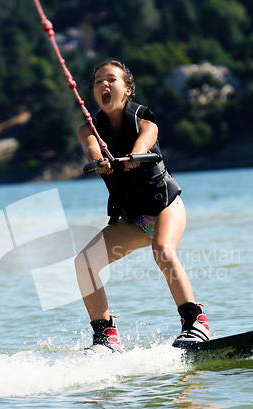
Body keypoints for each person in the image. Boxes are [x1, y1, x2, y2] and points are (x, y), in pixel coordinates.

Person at [75, 59, 211, 353]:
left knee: (161, 250)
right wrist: (99, 160)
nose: (104, 85)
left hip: (165, 205)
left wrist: (136, 154)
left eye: (111, 79)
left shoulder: (142, 119)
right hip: (132, 219)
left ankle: (195, 323)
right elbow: (91, 147)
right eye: (98, 81)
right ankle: (106, 336)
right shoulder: (89, 129)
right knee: (85, 262)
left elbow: (148, 137)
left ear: (128, 90)